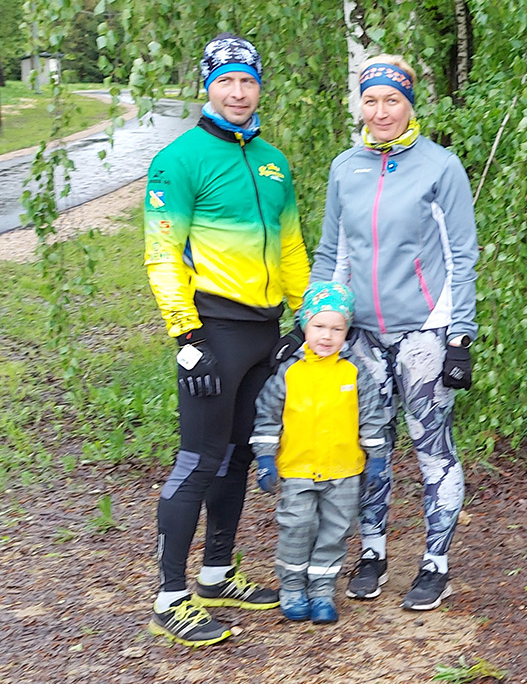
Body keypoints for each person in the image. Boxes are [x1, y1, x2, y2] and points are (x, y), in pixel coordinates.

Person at [143, 33, 310, 647]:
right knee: (198, 460)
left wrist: (306, 317)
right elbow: (162, 254)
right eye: (226, 81)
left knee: (239, 455)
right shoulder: (179, 159)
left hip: (265, 333)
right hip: (211, 330)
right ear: (207, 87)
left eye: (248, 81)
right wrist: (186, 337)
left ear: (259, 87)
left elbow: (290, 247)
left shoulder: (273, 161)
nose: (238, 93)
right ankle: (169, 597)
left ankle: (216, 574)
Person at [308, 53, 478, 611]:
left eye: (393, 100)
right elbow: (332, 252)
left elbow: (461, 256)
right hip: (361, 336)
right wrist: (315, 319)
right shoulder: (344, 168)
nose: (381, 112)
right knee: (368, 448)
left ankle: (435, 564)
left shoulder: (440, 166)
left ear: (409, 104)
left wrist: (460, 336)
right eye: (371, 100)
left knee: (433, 450)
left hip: (423, 336)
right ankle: (373, 552)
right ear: (359, 104)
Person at [251, 282, 388, 625]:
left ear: (347, 331)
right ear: (305, 326)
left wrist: (377, 459)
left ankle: (323, 591)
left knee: (335, 532)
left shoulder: (354, 372)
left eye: (337, 329)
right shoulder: (289, 372)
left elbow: (372, 417)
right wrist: (265, 458)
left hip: (344, 471)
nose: (327, 336)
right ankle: (292, 588)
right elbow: (267, 416)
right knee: (296, 527)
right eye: (319, 326)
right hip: (297, 469)